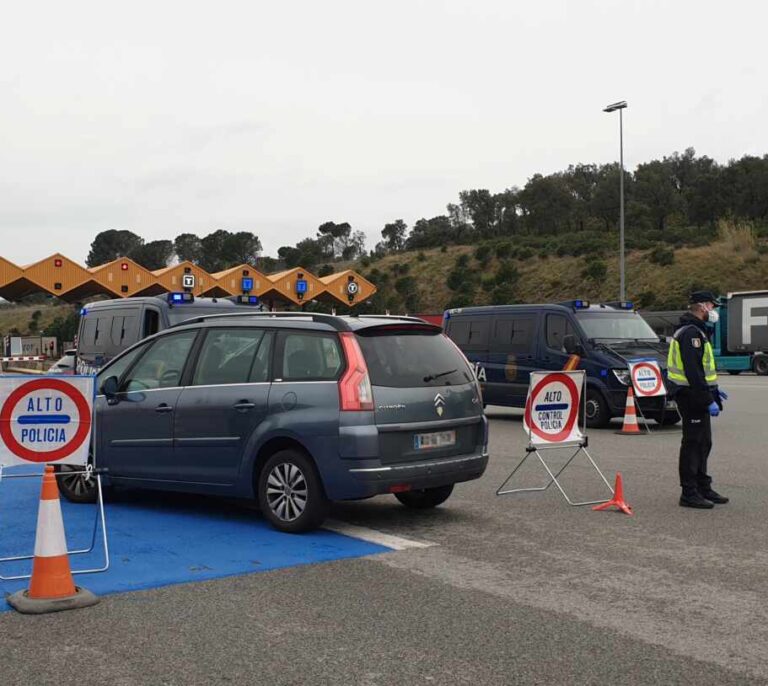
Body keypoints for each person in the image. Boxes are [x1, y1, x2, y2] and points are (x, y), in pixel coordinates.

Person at [666, 291, 729, 509]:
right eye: (713, 306)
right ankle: (689, 492)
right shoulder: (691, 334)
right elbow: (692, 372)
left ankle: (703, 486)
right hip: (690, 395)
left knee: (704, 442)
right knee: (692, 444)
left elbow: (703, 369)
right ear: (702, 307)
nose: (714, 310)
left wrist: (714, 390)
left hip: (698, 394)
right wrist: (706, 398)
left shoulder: (698, 331)